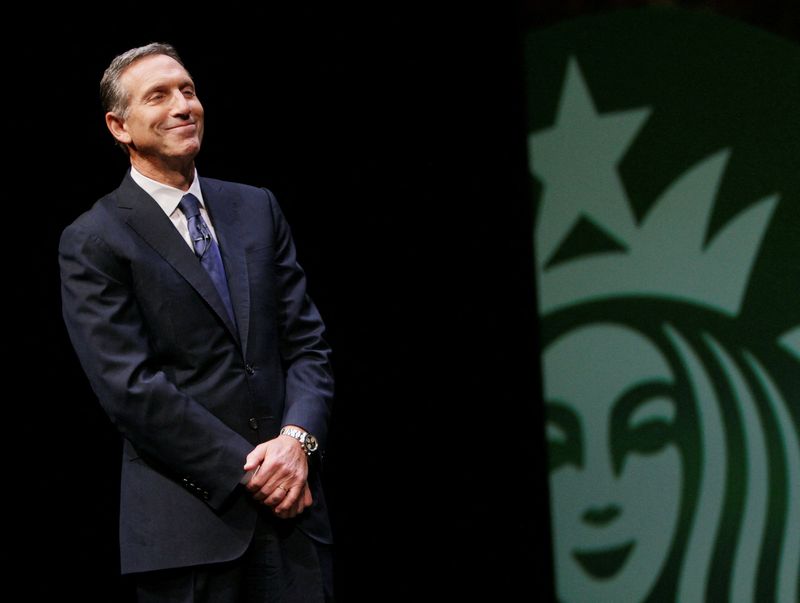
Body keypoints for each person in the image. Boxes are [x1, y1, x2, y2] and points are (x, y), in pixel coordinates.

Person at [59, 42, 335, 603]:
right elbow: (129, 388)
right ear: (119, 127)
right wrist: (250, 469)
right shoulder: (95, 238)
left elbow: (306, 343)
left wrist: (296, 442)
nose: (183, 105)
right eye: (158, 96)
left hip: (294, 522)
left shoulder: (256, 207)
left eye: (187, 90)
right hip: (190, 530)